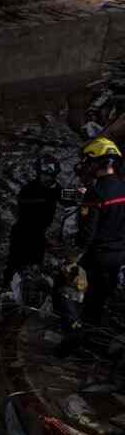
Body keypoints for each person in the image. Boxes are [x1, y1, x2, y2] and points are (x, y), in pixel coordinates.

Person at [63, 137, 125, 357]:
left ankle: (81, 344)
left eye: (89, 161)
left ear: (97, 162)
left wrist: (73, 258)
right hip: (119, 255)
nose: (86, 166)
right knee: (103, 299)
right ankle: (98, 340)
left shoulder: (95, 193)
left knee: (74, 296)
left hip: (97, 256)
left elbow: (87, 233)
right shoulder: (122, 187)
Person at [2, 158, 63, 293]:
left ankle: (30, 293)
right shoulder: (29, 189)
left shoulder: (55, 188)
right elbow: (26, 208)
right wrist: (48, 197)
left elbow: (66, 198)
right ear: (38, 174)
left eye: (51, 176)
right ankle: (6, 291)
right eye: (44, 175)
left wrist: (82, 194)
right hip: (23, 233)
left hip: (39, 234)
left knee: (35, 266)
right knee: (15, 264)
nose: (47, 179)